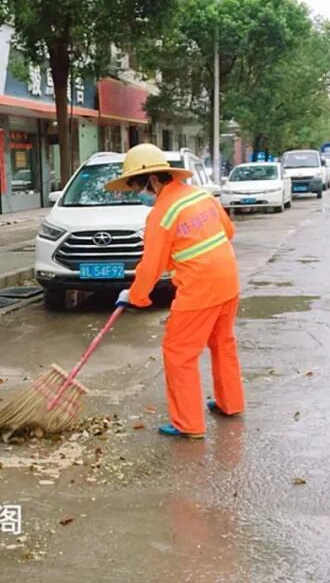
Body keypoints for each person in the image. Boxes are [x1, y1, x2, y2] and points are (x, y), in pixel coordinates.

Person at [105, 143, 245, 439]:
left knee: (179, 353)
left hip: (199, 289)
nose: (138, 194)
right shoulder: (200, 196)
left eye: (137, 188)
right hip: (228, 281)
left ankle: (188, 424)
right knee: (223, 343)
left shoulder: (162, 213)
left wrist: (135, 296)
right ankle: (230, 403)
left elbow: (150, 266)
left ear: (153, 180)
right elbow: (228, 232)